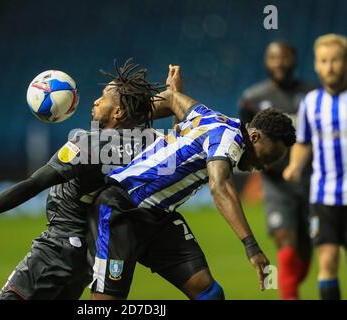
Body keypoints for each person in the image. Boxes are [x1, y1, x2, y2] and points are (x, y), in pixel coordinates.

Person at [0, 59, 189, 300]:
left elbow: (34, 184)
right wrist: (174, 97)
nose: (96, 102)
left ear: (119, 111)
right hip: (86, 258)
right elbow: (171, 135)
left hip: (55, 249)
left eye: (103, 99)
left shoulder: (87, 146)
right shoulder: (147, 144)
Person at [88, 69, 297, 300]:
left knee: (209, 294)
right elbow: (220, 187)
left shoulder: (210, 117)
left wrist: (170, 94)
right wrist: (251, 246)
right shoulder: (230, 139)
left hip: (158, 217)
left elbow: (170, 99)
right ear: (255, 137)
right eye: (266, 157)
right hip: (124, 208)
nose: (262, 166)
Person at [238, 41, 314, 299]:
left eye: (284, 57)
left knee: (305, 250)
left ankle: (292, 284)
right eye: (273, 57)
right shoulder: (252, 98)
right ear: (266, 61)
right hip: (275, 185)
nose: (279, 62)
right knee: (284, 239)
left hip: (311, 181)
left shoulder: (313, 94)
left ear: (294, 59)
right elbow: (245, 139)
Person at [283, 34, 347, 300]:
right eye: (324, 61)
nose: (329, 66)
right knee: (328, 262)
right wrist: (294, 165)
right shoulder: (310, 102)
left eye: (335, 60)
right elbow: (303, 142)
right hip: (324, 196)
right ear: (316, 65)